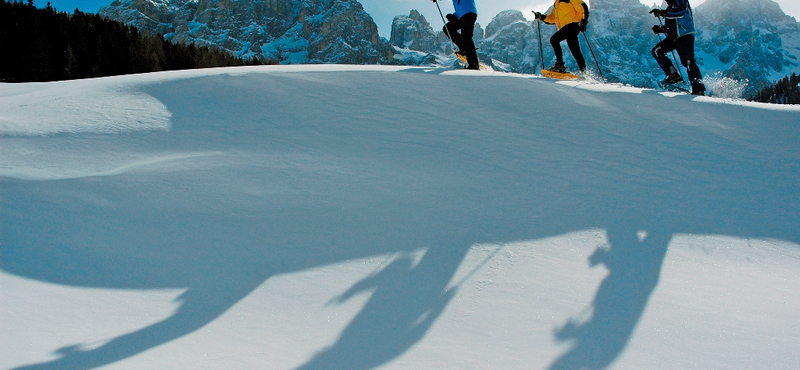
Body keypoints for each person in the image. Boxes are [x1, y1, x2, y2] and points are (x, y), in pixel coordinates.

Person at [650, 0, 706, 95]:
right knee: (656, 51)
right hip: (673, 38)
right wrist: (661, 29)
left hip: (685, 36)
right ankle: (672, 74)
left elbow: (681, 12)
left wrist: (663, 13)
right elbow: (674, 25)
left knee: (688, 62)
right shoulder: (670, 6)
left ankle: (698, 89)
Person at [534, 0, 589, 74]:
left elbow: (582, 6)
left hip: (573, 25)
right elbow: (553, 19)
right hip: (567, 28)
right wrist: (542, 17)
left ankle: (560, 65)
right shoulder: (557, 4)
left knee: (554, 40)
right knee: (576, 51)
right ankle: (585, 73)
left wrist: (583, 21)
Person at [434, 0, 480, 70]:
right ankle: (463, 48)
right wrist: (454, 17)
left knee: (466, 38)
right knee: (447, 28)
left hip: (468, 13)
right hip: (459, 15)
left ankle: (474, 65)